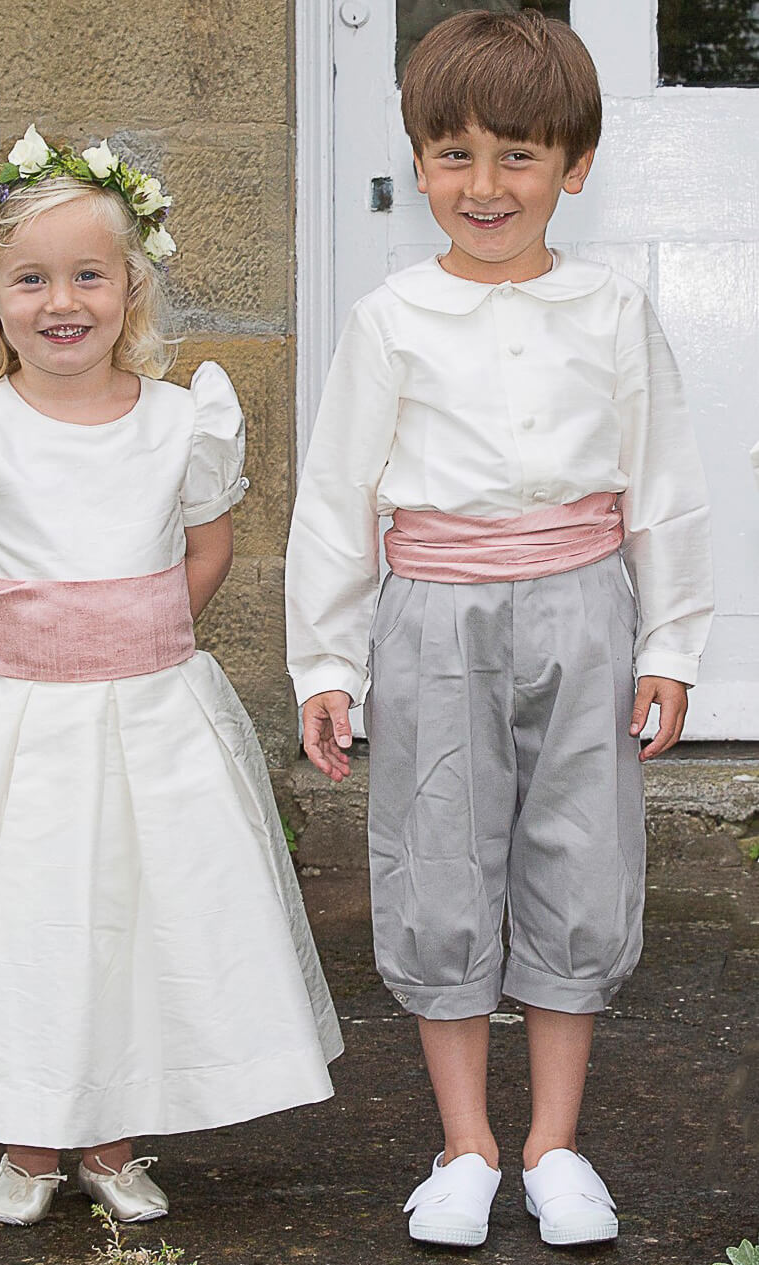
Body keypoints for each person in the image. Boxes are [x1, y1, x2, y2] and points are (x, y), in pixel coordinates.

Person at [0, 125, 342, 1229]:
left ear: (130, 286)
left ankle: (111, 1137)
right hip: (19, 724)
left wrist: (133, 635)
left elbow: (207, 550)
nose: (62, 300)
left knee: (137, 918)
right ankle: (27, 1139)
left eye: (88, 274)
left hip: (154, 716)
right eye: (30, 278)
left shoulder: (176, 422)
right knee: (28, 922)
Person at [285, 11, 713, 1251]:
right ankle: (465, 1140)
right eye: (456, 155)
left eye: (519, 156)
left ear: (573, 166)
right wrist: (326, 656)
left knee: (578, 856)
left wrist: (670, 642)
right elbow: (336, 497)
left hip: (582, 607)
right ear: (418, 163)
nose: (485, 187)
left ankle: (554, 1143)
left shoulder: (610, 309)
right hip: (433, 616)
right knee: (438, 857)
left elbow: (665, 480)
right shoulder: (390, 319)